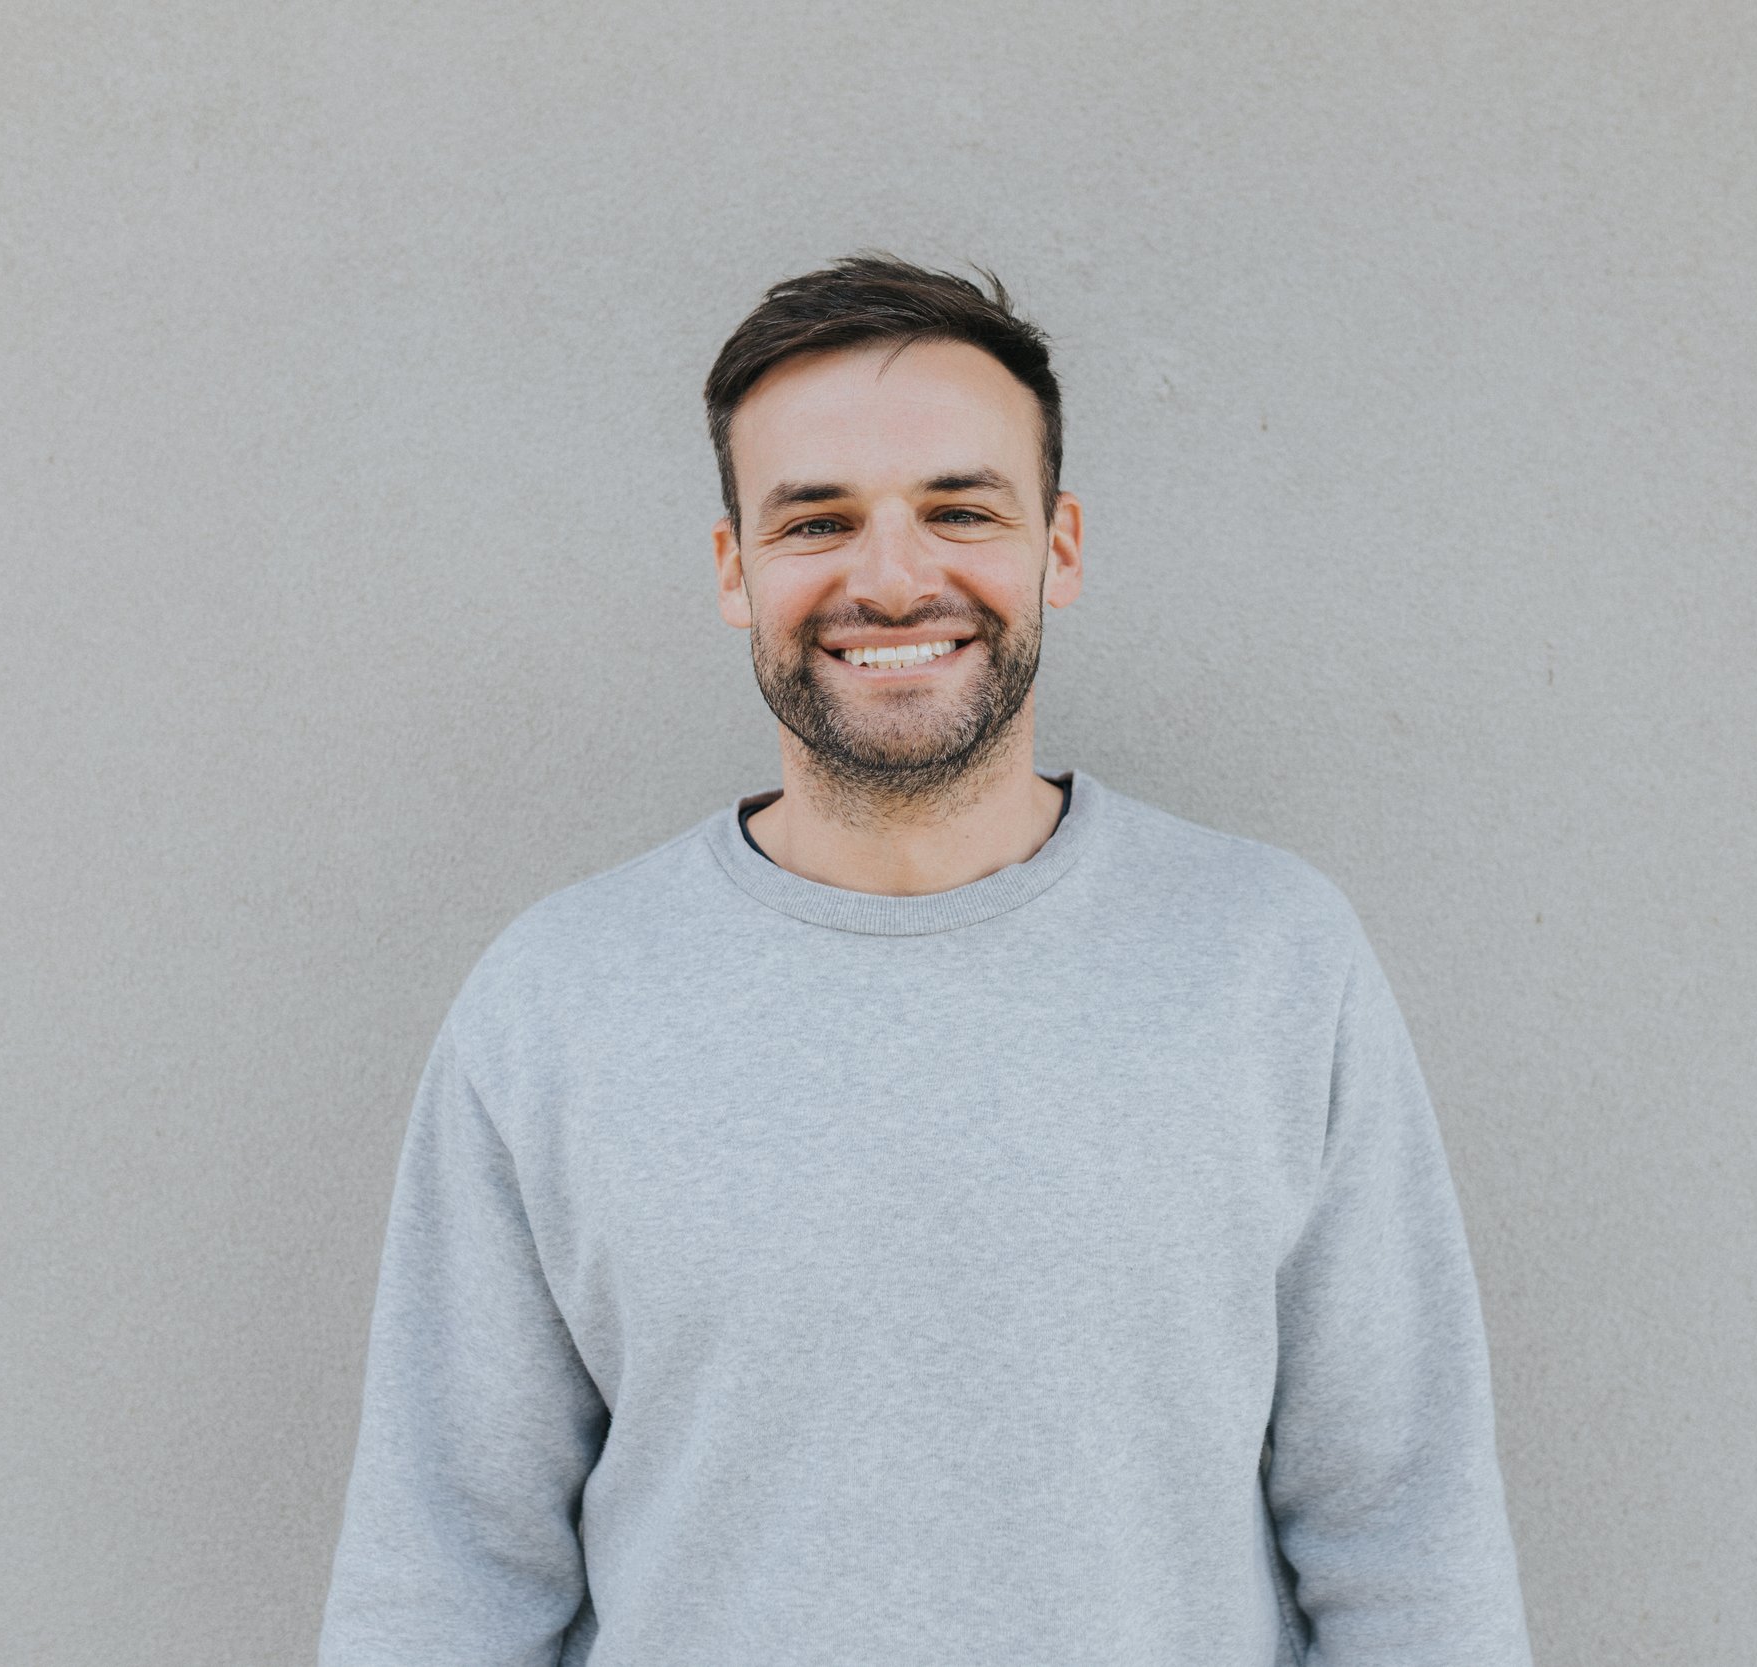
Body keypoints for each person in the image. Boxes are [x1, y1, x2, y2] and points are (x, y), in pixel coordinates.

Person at [316, 253, 1533, 1666]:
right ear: (734, 571)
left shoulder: (1270, 962)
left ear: (1057, 548)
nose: (891, 579)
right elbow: (445, 1581)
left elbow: (1408, 1547)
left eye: (959, 509)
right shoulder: (553, 1004)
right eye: (816, 521)